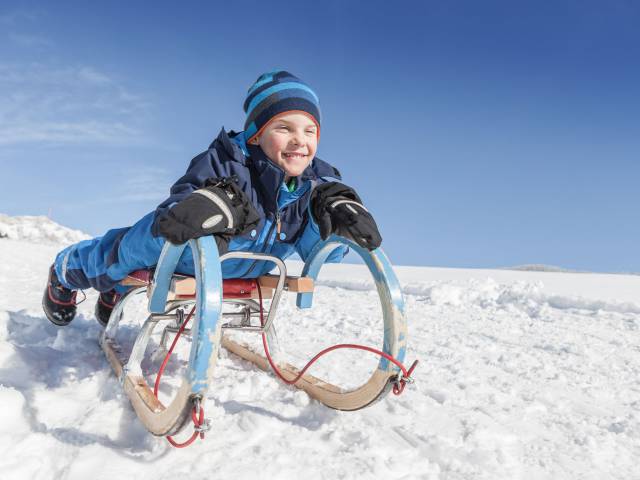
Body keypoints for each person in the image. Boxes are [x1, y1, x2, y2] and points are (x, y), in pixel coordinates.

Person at [42, 70, 382, 327]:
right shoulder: (225, 162)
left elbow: (317, 255)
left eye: (309, 131)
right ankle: (66, 270)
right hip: (182, 256)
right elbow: (176, 214)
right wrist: (211, 201)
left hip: (239, 270)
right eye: (284, 128)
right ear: (255, 135)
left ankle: (114, 285)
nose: (300, 141)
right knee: (128, 250)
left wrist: (333, 228)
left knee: (133, 256)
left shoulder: (317, 184)